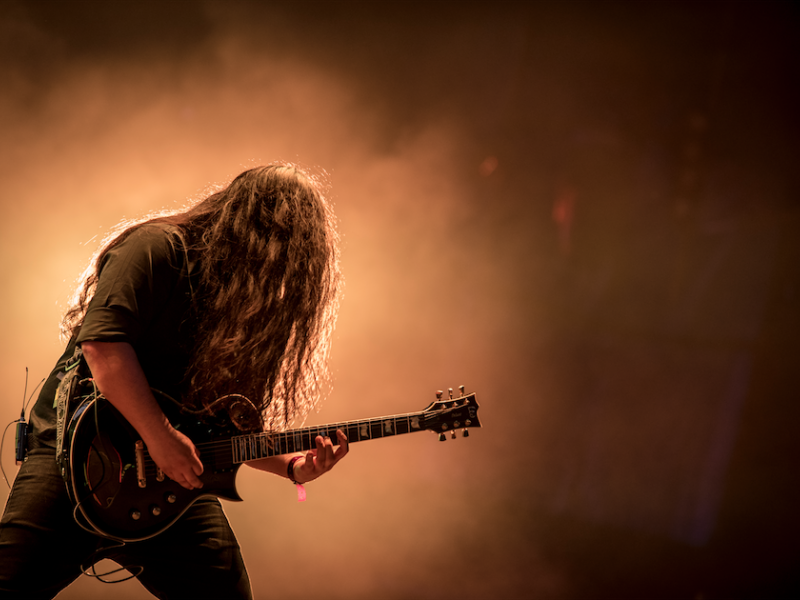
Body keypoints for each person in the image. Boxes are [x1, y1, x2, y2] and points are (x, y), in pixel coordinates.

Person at [0, 163, 348, 599]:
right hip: (75, 463)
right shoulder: (157, 248)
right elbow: (103, 347)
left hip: (169, 496)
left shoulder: (235, 310)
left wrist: (293, 467)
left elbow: (219, 431)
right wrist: (161, 437)